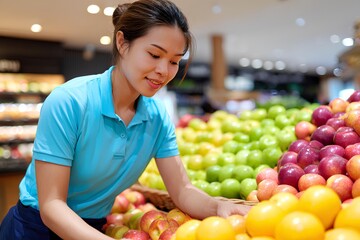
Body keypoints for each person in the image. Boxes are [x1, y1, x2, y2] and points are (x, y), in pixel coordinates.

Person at [0, 0, 251, 239]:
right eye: (154, 55)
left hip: (95, 227)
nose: (164, 71)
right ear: (122, 42)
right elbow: (52, 206)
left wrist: (219, 208)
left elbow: (182, 190)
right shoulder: (70, 101)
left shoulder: (157, 117)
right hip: (35, 229)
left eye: (174, 61)